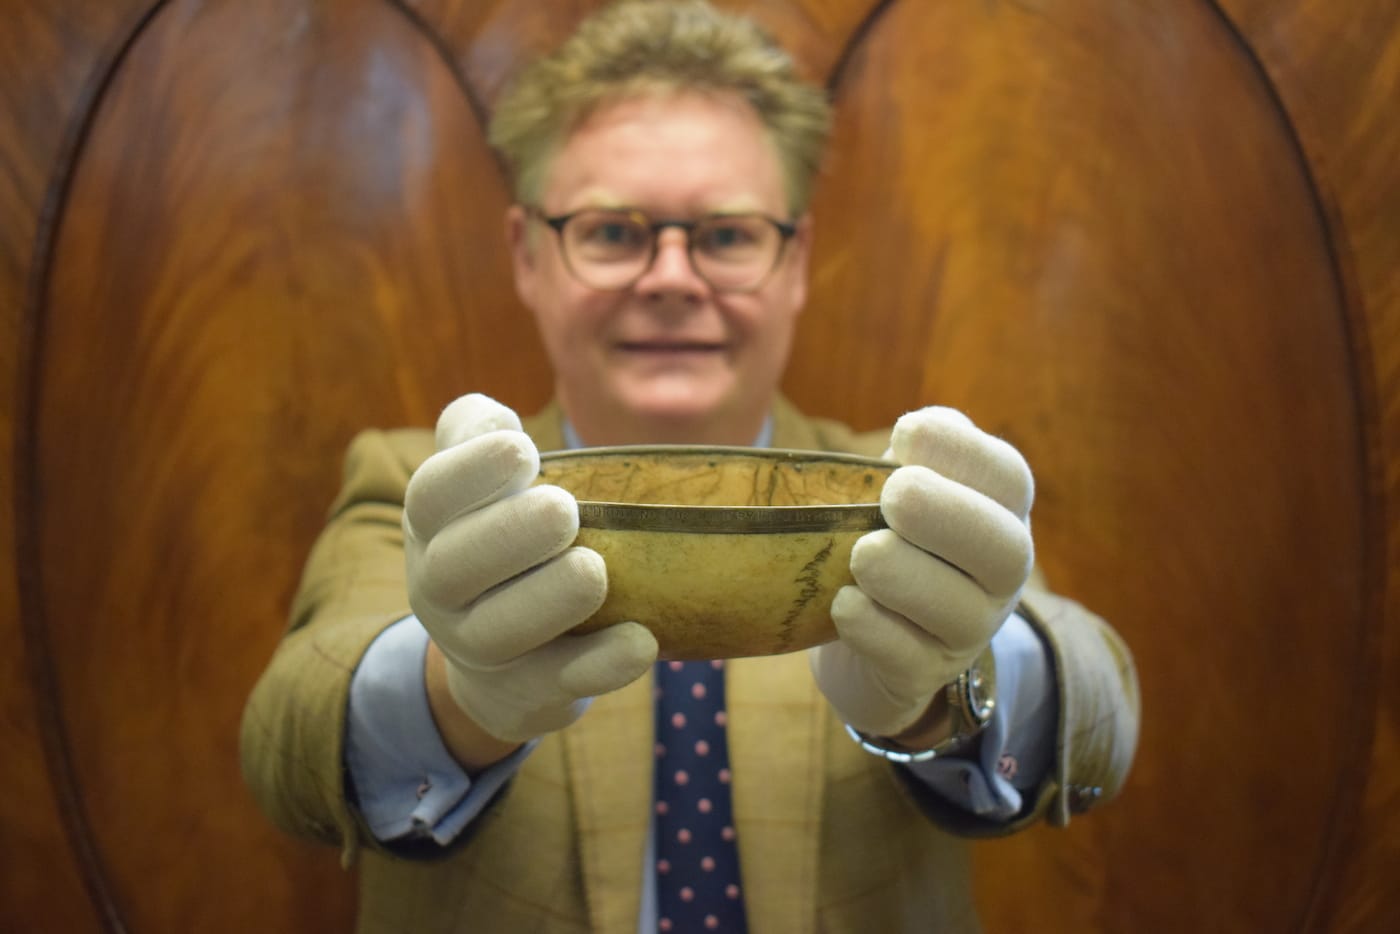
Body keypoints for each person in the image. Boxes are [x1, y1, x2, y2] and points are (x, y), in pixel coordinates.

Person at [240, 2, 1139, 931]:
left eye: (727, 235)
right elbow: (285, 744)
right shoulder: (422, 491)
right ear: (528, 256)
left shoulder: (907, 495)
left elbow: (1098, 718)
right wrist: (457, 694)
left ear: (796, 264)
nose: (672, 278)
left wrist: (949, 687)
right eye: (612, 233)